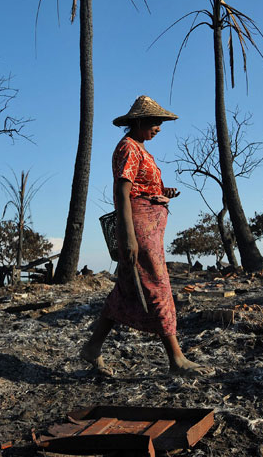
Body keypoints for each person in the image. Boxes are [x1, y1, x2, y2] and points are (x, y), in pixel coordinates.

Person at [80, 95, 207, 376]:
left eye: (160, 123)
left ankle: (92, 347)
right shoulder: (128, 147)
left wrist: (163, 193)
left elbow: (142, 187)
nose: (159, 128)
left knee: (127, 289)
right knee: (157, 286)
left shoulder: (141, 149)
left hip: (148, 227)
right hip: (138, 229)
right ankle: (176, 358)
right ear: (138, 122)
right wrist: (128, 237)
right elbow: (123, 193)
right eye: (154, 122)